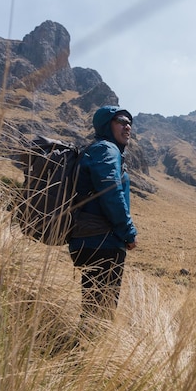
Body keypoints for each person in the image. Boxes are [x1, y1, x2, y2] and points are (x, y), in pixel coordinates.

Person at [69, 105, 138, 325]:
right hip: (102, 242)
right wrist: (128, 232)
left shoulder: (100, 149)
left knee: (94, 309)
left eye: (129, 122)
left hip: (92, 239)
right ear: (106, 125)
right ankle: (88, 356)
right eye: (121, 120)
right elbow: (111, 191)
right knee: (101, 313)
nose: (127, 126)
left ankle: (83, 352)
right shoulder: (107, 149)